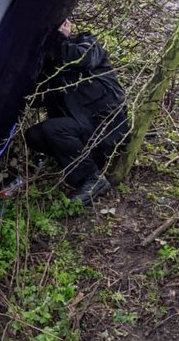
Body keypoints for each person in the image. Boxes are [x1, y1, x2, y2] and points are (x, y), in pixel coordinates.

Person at [25, 19, 129, 205]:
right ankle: (82, 163)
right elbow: (35, 99)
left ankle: (91, 179)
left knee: (54, 130)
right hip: (85, 131)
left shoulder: (86, 43)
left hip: (106, 127)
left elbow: (82, 59)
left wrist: (60, 40)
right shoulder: (51, 66)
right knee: (34, 135)